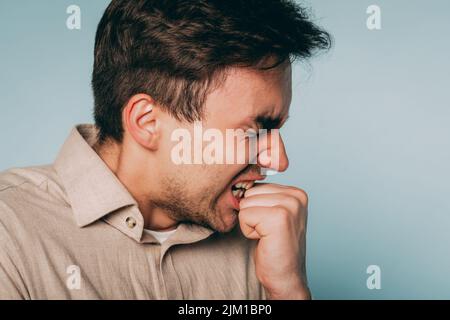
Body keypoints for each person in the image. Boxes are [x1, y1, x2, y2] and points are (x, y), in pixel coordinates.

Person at [0, 0, 331, 299]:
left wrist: (288, 290)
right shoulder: (11, 235)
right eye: (251, 132)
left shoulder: (263, 239)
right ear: (147, 122)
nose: (279, 161)